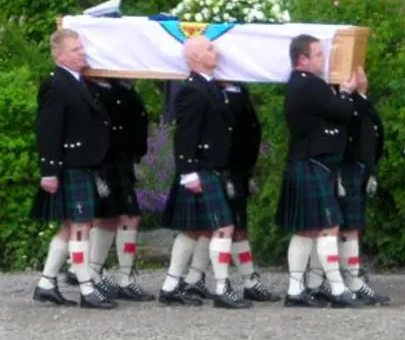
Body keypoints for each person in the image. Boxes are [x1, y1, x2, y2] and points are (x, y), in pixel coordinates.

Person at [158, 36, 251, 309]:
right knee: (224, 227)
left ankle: (170, 286)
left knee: (193, 230)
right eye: (210, 48)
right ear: (196, 57)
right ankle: (222, 288)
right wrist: (187, 171)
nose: (216, 51)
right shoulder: (193, 90)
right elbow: (185, 134)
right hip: (199, 168)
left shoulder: (209, 87)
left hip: (211, 167)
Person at [274, 34, 366, 308]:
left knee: (307, 230)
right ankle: (337, 289)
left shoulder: (304, 85)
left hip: (311, 162)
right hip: (312, 162)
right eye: (318, 55)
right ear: (302, 59)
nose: (323, 60)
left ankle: (296, 290)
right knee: (328, 226)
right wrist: (348, 92)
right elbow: (341, 111)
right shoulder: (309, 85)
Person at [30, 28, 117, 309]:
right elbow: (48, 130)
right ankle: (86, 288)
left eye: (82, 48)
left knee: (71, 228)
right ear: (59, 54)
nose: (83, 53)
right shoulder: (55, 84)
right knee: (80, 227)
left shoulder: (79, 82)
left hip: (83, 163)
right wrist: (49, 171)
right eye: (77, 49)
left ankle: (46, 283)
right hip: (69, 164)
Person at [181, 80, 281, 303]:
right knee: (220, 226)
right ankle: (198, 282)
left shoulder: (238, 90)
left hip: (237, 166)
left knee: (234, 225)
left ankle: (244, 281)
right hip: (219, 166)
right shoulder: (210, 92)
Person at [306, 67, 389, 305]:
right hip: (345, 166)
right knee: (342, 227)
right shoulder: (337, 101)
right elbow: (350, 124)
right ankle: (346, 281)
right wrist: (357, 94)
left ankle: (340, 280)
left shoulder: (351, 100)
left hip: (358, 166)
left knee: (351, 226)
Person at [65, 77, 153, 301]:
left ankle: (117, 276)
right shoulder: (93, 90)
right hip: (105, 162)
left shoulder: (119, 88)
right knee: (106, 218)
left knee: (120, 218)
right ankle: (92, 273)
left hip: (122, 160)